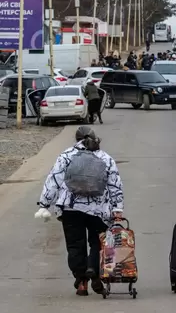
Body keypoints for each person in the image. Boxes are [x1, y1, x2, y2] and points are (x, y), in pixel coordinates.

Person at [35, 126, 124, 296]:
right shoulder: (105, 157)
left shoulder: (66, 155)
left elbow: (54, 179)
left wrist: (44, 204)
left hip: (71, 208)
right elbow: (114, 184)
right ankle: (94, 270)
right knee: (98, 243)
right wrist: (117, 207)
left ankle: (82, 282)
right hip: (98, 210)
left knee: (75, 245)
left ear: (76, 139)